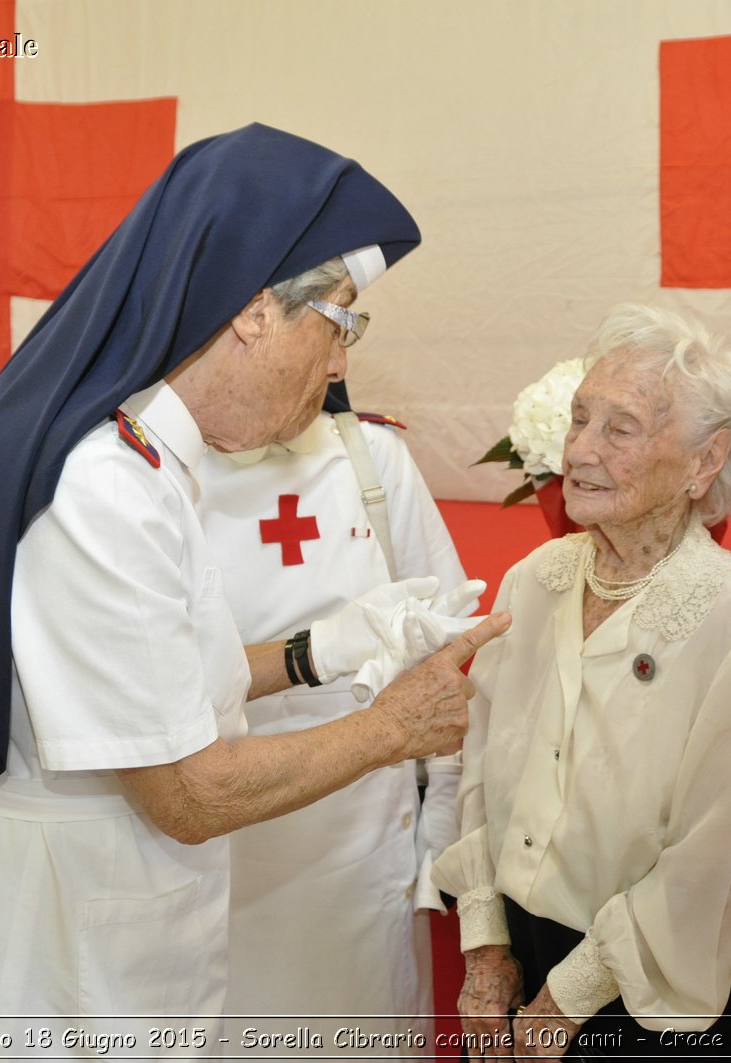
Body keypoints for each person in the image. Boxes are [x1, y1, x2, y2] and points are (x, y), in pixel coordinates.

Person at [0, 125, 509, 1058]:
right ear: (253, 308)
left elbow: (155, 681)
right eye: (339, 321)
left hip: (79, 924)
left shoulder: (138, 456)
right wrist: (398, 724)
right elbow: (187, 792)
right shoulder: (102, 487)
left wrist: (318, 651)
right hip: (47, 958)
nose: (339, 366)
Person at [433, 303, 731, 1059]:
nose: (578, 450)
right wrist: (485, 944)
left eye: (619, 428)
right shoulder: (534, 581)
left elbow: (711, 862)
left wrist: (567, 998)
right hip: (517, 945)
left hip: (652, 988)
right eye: (578, 419)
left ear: (704, 461)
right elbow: (475, 766)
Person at [197, 383, 472, 1052]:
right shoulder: (161, 472)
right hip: (224, 830)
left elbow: (441, 640)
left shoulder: (370, 454)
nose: (339, 357)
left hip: (361, 841)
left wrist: (444, 804)